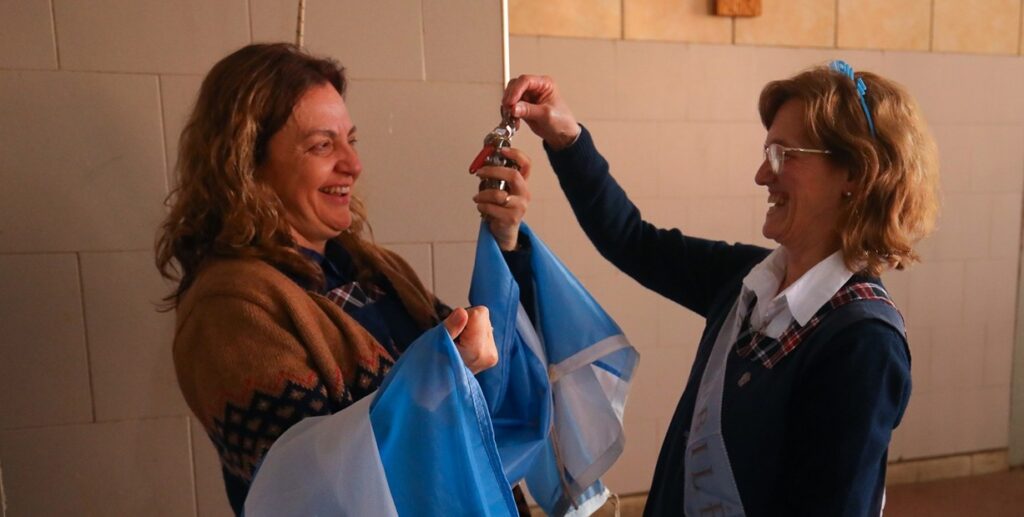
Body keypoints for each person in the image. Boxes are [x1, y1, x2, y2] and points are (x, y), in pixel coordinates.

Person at [502, 62, 938, 516]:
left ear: (855, 173)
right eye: (767, 152)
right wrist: (565, 138)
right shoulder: (749, 278)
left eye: (784, 155)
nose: (762, 175)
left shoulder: (863, 342)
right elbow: (633, 241)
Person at [155, 43, 535, 515]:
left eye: (349, 140)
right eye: (322, 145)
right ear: (246, 164)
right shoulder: (228, 306)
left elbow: (485, 383)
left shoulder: (372, 266)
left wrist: (504, 242)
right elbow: (304, 486)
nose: (352, 165)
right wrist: (438, 379)